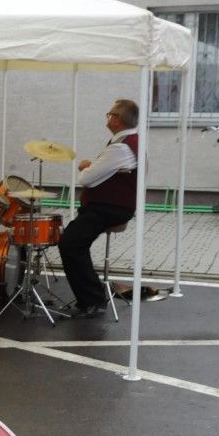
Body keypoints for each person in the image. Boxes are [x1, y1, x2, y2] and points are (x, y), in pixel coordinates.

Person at [58, 99, 139, 319]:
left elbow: (87, 179)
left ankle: (94, 300)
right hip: (109, 206)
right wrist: (93, 168)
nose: (108, 117)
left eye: (109, 114)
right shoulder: (127, 142)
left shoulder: (121, 147)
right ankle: (91, 296)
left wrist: (86, 166)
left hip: (110, 207)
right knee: (74, 241)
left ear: (117, 119)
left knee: (70, 243)